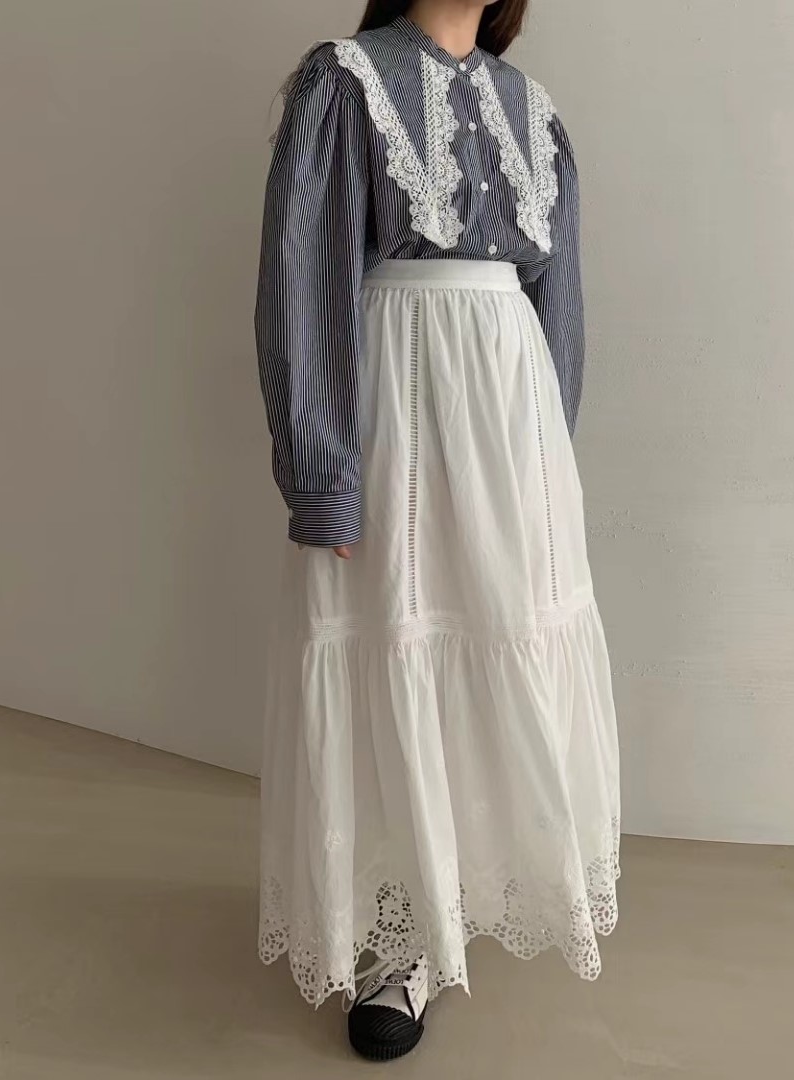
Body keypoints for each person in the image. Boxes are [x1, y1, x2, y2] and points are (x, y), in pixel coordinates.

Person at [254, 0, 621, 1061]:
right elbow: (302, 281)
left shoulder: (533, 111)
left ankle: (458, 895)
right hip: (398, 411)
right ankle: (397, 936)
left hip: (511, 426)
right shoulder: (345, 81)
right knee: (394, 644)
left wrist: (548, 465)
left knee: (493, 647)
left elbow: (559, 305)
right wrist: (323, 473)